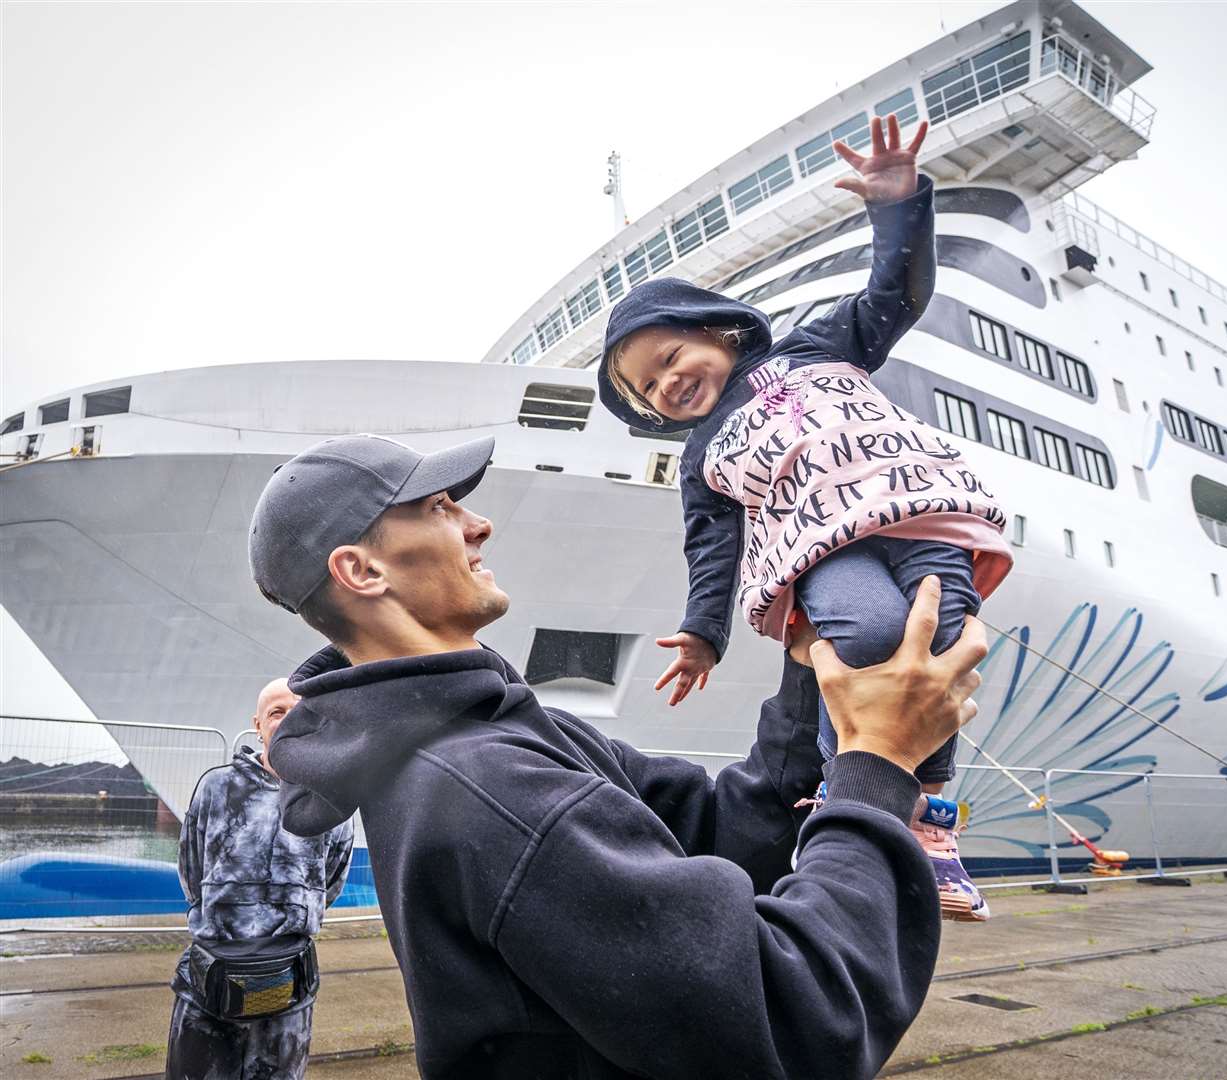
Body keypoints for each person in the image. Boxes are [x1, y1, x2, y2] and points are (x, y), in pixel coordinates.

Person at [248, 432, 986, 1079]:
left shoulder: (513, 734)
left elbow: (729, 826)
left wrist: (816, 656)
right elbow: (796, 1022)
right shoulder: (485, 784)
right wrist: (877, 764)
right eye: (440, 508)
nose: (478, 524)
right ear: (362, 572)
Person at [597, 114, 1011, 920]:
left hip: (920, 510)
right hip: (824, 548)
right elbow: (712, 548)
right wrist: (702, 632)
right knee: (859, 639)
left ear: (713, 330)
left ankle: (926, 818)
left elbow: (893, 297)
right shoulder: (701, 456)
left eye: (672, 356)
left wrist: (898, 208)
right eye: (650, 388)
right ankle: (847, 792)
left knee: (946, 641)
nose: (669, 383)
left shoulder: (809, 348)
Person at [166, 677, 355, 1080]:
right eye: (276, 712)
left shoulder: (333, 800)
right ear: (257, 724)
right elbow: (191, 867)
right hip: (211, 978)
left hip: (287, 983)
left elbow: (331, 879)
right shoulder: (216, 788)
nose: (288, 720)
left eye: (299, 711)